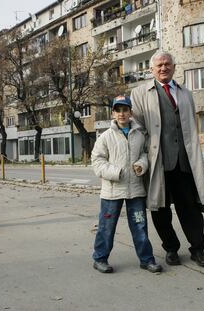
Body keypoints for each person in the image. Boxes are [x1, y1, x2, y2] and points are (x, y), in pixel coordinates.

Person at [131, 51, 204, 267]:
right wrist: (141, 157)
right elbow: (138, 128)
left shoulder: (185, 93)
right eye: (159, 65)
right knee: (160, 209)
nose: (163, 68)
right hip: (158, 161)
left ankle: (198, 249)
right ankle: (171, 249)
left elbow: (190, 126)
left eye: (167, 64)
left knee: (191, 209)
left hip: (185, 161)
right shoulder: (140, 93)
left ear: (174, 67)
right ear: (151, 70)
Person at [91, 95, 162, 274]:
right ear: (113, 113)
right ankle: (100, 258)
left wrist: (142, 165)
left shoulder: (139, 134)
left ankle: (147, 260)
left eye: (125, 110)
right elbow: (97, 161)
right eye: (118, 110)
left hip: (136, 190)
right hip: (112, 191)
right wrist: (117, 173)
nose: (122, 114)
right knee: (106, 228)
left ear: (130, 112)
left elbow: (146, 153)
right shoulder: (106, 136)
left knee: (140, 226)